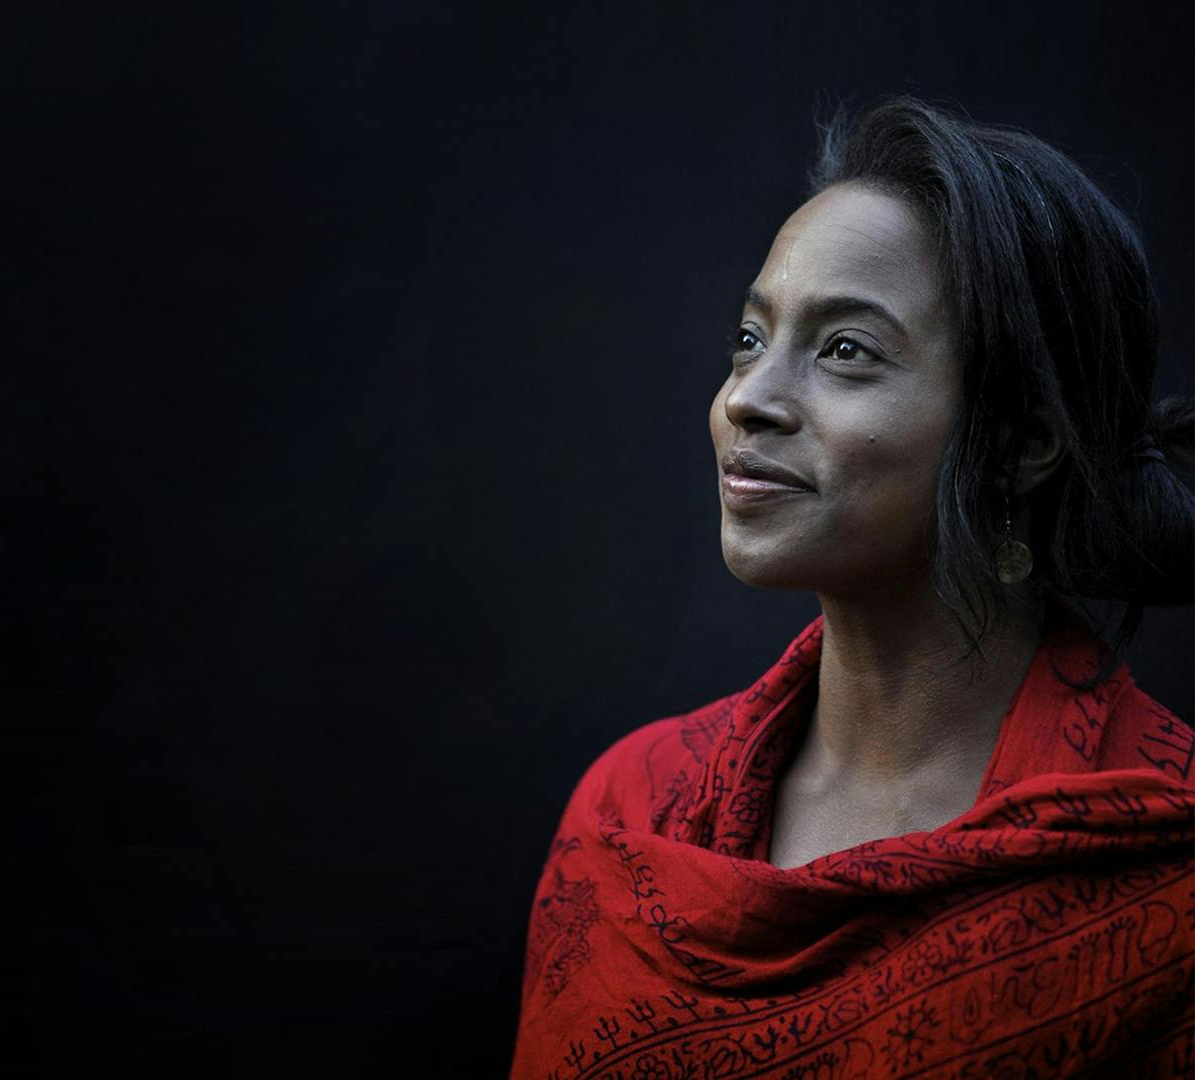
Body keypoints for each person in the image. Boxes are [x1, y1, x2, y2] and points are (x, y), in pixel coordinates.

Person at [508, 97, 1194, 1080]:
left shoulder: (1159, 865)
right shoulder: (630, 813)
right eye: (750, 338)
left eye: (844, 351)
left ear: (1021, 443)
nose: (747, 398)